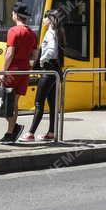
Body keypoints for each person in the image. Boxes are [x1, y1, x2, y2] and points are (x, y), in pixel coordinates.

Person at [0, 2, 37, 143]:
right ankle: (11, 130)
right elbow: (35, 55)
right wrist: (28, 67)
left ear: (16, 15)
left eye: (13, 13)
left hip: (13, 71)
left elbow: (9, 54)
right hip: (24, 71)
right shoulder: (32, 33)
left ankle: (13, 129)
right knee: (14, 102)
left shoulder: (13, 31)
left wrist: (2, 72)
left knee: (3, 102)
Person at [22, 11, 64, 142]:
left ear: (50, 20)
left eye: (45, 17)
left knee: (39, 103)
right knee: (52, 104)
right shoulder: (57, 32)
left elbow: (51, 50)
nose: (43, 20)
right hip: (55, 70)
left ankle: (30, 134)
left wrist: (41, 60)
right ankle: (51, 132)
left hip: (48, 70)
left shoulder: (50, 33)